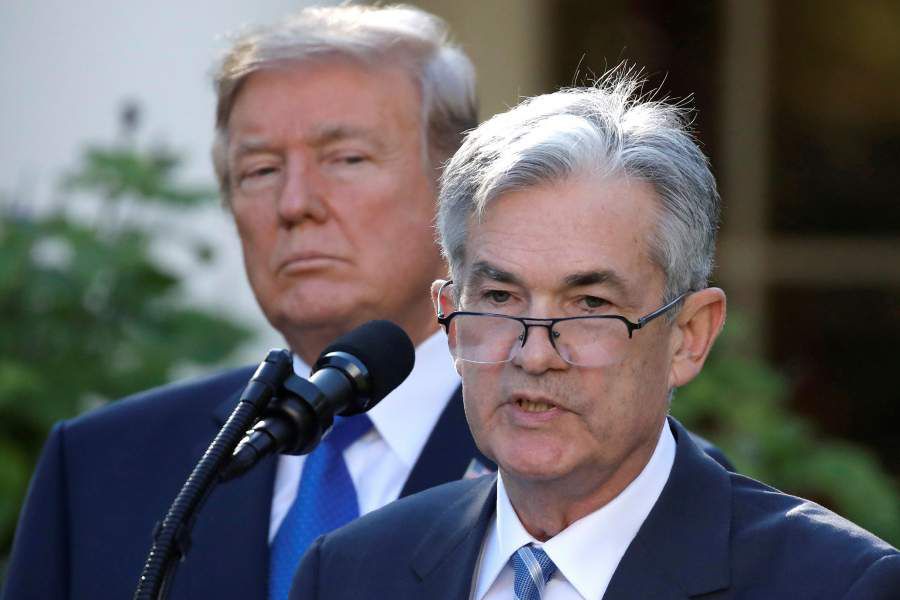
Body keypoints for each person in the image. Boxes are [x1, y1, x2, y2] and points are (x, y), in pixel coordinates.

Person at [1, 7, 729, 600]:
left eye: (345, 159)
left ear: (457, 184)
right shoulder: (101, 468)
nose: (295, 204)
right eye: (259, 169)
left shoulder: (592, 457)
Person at [288, 73, 900, 600]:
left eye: (589, 306)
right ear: (449, 319)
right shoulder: (352, 572)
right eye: (500, 299)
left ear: (688, 335)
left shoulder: (834, 583)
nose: (533, 354)